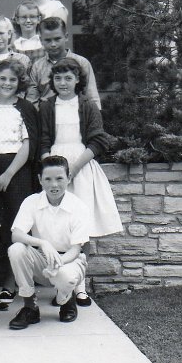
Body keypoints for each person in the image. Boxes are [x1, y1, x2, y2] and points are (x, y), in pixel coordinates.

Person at [40, 57, 123, 305]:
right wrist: (51, 169)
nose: (63, 83)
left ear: (78, 79)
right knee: (56, 228)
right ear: (52, 81)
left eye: (68, 78)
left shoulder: (87, 105)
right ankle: (60, 285)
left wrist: (73, 169)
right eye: (58, 78)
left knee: (80, 231)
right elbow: (43, 141)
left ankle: (80, 287)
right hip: (55, 168)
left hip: (81, 168)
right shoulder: (46, 106)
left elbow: (98, 141)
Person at [0, 59, 40, 309]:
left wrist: (9, 174)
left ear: (19, 82)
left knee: (16, 225)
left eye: (13, 80)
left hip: (16, 173)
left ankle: (12, 284)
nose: (7, 83)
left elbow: (27, 145)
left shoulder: (25, 109)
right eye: (3, 78)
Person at [7, 155, 90, 327]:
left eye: (59, 178)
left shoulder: (78, 206)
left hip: (70, 261)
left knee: (65, 276)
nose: (54, 185)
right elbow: (16, 234)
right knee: (16, 249)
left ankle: (66, 301)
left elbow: (76, 250)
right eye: (48, 179)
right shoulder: (32, 201)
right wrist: (43, 243)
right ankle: (30, 307)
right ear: (40, 180)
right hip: (43, 259)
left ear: (68, 178)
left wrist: (58, 263)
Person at [26, 17, 101, 109]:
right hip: (46, 117)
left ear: (66, 37)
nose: (53, 44)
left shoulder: (81, 63)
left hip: (76, 115)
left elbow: (92, 97)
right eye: (48, 40)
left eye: (57, 39)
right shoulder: (37, 67)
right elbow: (32, 100)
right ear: (41, 40)